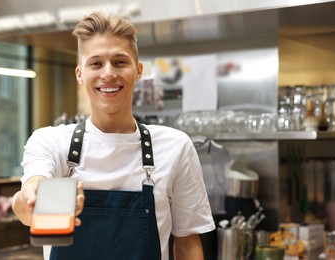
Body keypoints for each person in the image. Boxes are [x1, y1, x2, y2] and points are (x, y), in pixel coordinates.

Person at [12, 12, 215, 260]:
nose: (108, 73)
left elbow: (187, 244)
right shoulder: (52, 142)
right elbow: (29, 200)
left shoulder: (175, 146)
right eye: (96, 63)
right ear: (80, 74)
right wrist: (28, 201)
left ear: (138, 71)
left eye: (120, 62)